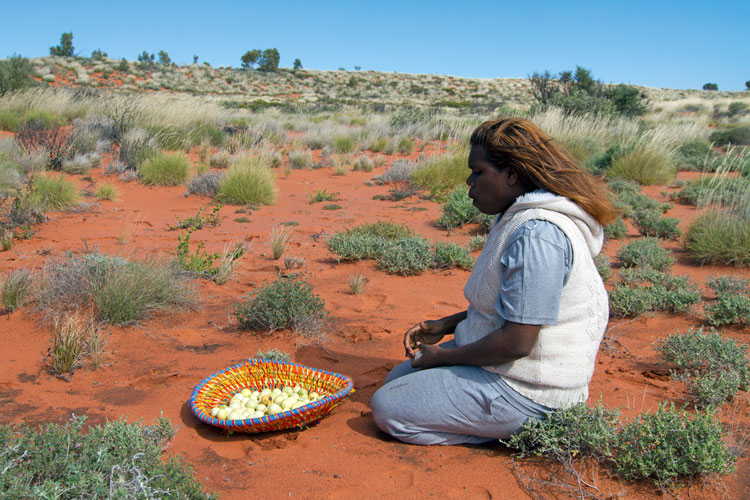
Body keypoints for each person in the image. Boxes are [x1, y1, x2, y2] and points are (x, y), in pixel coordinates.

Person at [370, 117, 619, 445]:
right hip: (510, 368)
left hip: (535, 391)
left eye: (478, 171)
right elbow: (517, 308)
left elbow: (518, 342)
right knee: (398, 379)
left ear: (512, 174)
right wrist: (448, 324)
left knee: (388, 407)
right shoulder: (518, 217)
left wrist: (442, 357)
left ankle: (524, 432)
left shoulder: (538, 235)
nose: (469, 181)